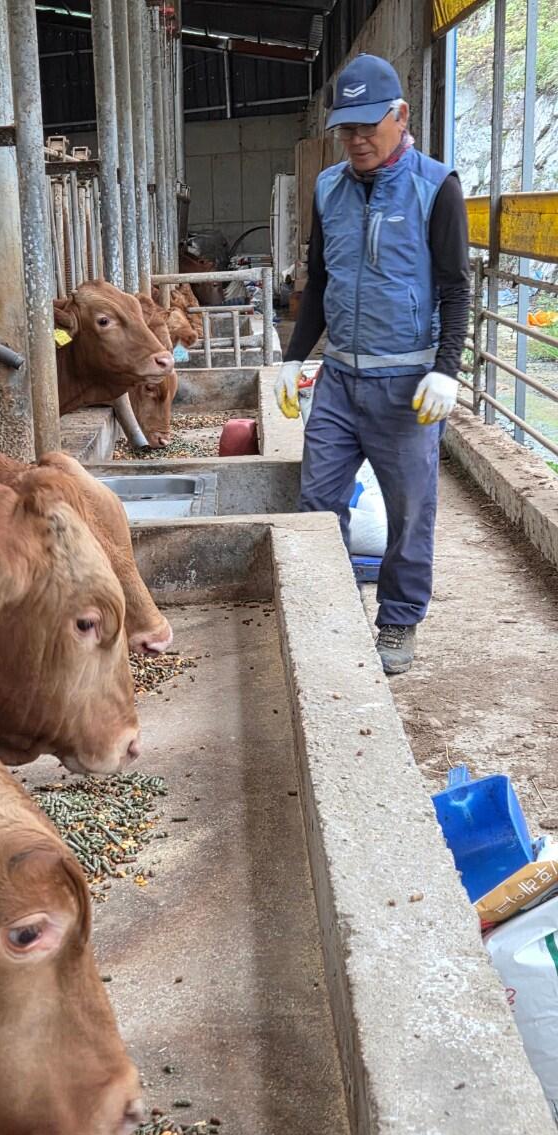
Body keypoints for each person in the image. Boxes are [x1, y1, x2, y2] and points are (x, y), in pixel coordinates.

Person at [275, 53, 470, 675]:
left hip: (407, 385)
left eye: (368, 127)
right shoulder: (329, 188)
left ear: (400, 116)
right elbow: (322, 279)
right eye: (347, 129)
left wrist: (447, 368)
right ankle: (329, 614)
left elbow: (457, 287)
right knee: (317, 502)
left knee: (410, 511)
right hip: (339, 381)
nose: (357, 140)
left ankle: (397, 622)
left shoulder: (436, 187)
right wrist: (292, 358)